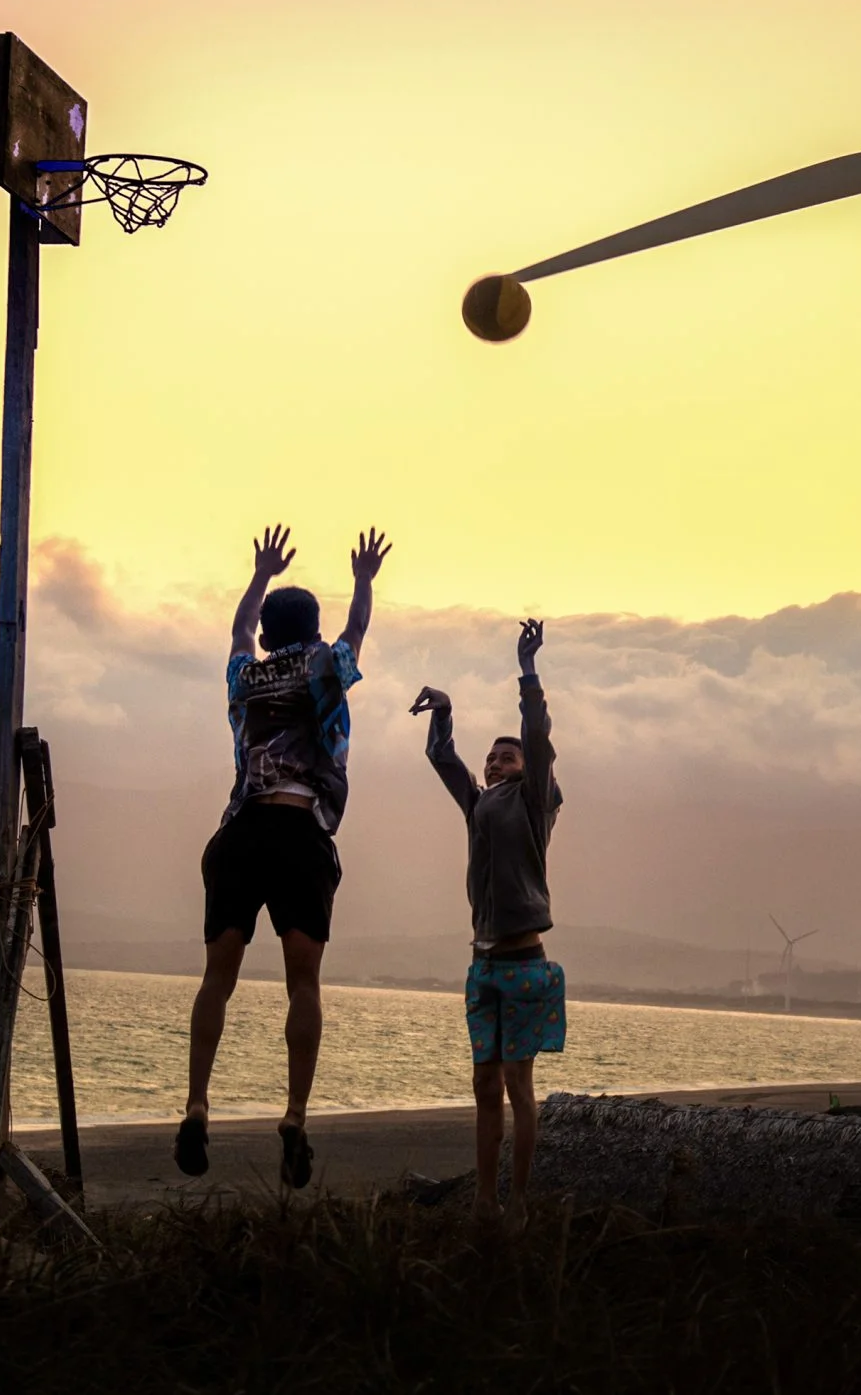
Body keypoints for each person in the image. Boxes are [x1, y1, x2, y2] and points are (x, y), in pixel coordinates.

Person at [177, 522, 389, 1187]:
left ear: (270, 634)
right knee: (304, 983)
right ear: (312, 630)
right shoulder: (325, 666)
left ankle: (197, 1102)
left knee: (218, 977)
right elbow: (355, 632)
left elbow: (237, 632)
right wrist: (363, 580)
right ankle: (295, 1114)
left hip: (242, 834)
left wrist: (260, 573)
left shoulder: (246, 675)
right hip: (301, 833)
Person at [410, 618, 562, 1222]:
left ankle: (520, 1202)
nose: (497, 760)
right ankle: (483, 1199)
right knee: (483, 1090)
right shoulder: (478, 805)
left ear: (526, 769)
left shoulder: (532, 804)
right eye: (492, 756)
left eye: (508, 754)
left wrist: (527, 673)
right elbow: (442, 760)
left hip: (525, 965)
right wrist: (443, 712)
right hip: (483, 966)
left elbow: (540, 738)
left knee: (518, 1089)